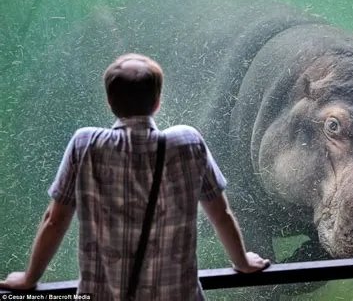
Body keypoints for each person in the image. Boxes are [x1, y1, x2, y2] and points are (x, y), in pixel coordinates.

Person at [0, 53, 270, 300]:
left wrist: (29, 279)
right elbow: (220, 214)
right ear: (157, 102)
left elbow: (55, 220)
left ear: (109, 101)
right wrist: (243, 262)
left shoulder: (86, 145)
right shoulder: (188, 142)